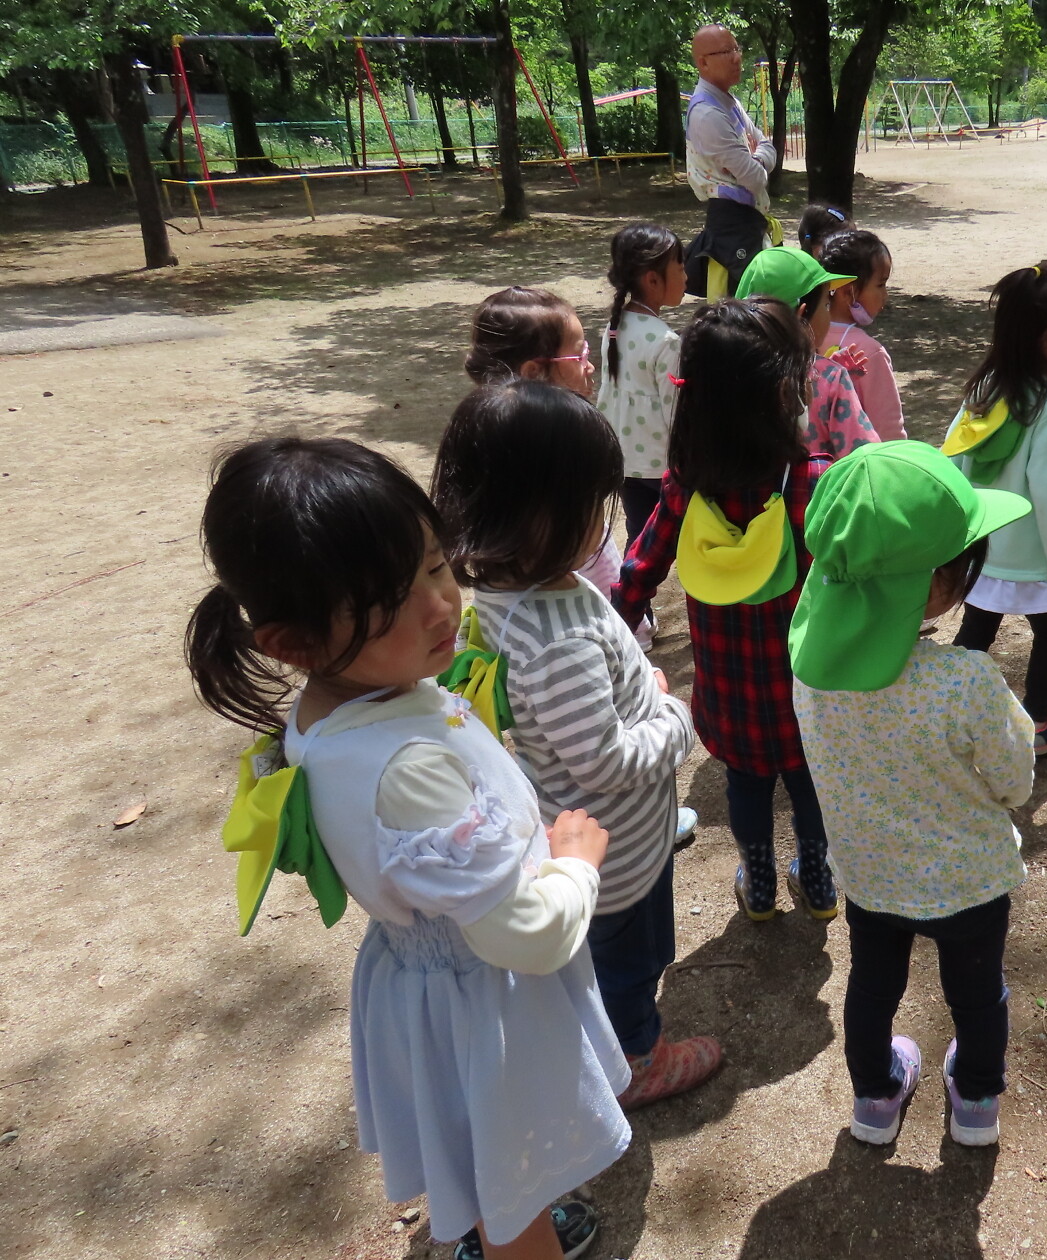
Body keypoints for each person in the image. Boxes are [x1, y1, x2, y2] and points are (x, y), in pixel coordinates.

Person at [186, 436, 627, 1259]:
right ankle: (515, 1235)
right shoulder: (407, 769)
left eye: (434, 565)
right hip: (485, 997)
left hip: (428, 984)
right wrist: (575, 862)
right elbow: (527, 935)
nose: (440, 605)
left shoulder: (333, 713)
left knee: (483, 1150)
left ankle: (497, 1219)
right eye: (390, 599)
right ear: (293, 643)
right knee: (511, 1172)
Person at [432, 381, 722, 1113]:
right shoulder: (554, 635)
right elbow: (606, 760)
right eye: (593, 502)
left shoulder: (520, 592)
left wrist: (637, 683)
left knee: (613, 958)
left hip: (605, 837)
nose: (603, 517)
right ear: (541, 513)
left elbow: (582, 705)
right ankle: (636, 1060)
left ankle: (610, 1041)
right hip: (617, 854)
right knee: (633, 963)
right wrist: (675, 718)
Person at [789, 441, 1037, 1148]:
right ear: (934, 586)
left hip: (871, 874)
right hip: (969, 879)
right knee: (978, 993)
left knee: (872, 987)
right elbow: (1015, 782)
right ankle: (977, 1103)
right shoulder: (965, 680)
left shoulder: (810, 669)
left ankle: (874, 1097)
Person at [613, 298, 836, 922]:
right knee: (810, 784)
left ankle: (758, 885)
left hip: (730, 693)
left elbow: (640, 568)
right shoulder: (814, 482)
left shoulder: (687, 485)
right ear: (785, 392)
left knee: (746, 787)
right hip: (807, 691)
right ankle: (818, 879)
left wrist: (610, 633)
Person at [944, 258, 1047, 753]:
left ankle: (945, 714)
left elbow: (954, 463)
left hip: (984, 548)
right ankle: (1039, 725)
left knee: (976, 630)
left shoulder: (984, 388)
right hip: (1034, 555)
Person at [465, 286, 650, 644]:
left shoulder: (482, 434)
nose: (590, 365)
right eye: (579, 355)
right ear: (534, 372)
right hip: (579, 616)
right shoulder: (559, 456)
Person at [737, 243, 880, 457]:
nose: (828, 313)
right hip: (817, 480)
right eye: (826, 305)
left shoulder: (726, 369)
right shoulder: (831, 379)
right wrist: (827, 371)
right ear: (801, 315)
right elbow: (864, 455)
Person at [597, 223, 685, 548]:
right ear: (652, 279)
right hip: (662, 466)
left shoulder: (614, 327)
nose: (686, 276)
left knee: (640, 541)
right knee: (682, 540)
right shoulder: (666, 341)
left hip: (625, 461)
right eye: (680, 267)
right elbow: (676, 413)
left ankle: (632, 583)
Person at [684, 23, 778, 299]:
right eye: (727, 52)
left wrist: (755, 157)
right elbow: (756, 179)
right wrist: (757, 161)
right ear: (703, 62)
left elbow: (767, 145)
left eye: (737, 49)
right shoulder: (707, 114)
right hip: (732, 227)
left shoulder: (729, 103)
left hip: (747, 223)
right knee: (747, 309)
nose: (737, 58)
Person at [820, 229, 906, 440]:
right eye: (880, 284)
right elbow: (889, 432)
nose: (885, 295)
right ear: (847, 291)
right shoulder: (869, 352)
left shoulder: (806, 336)